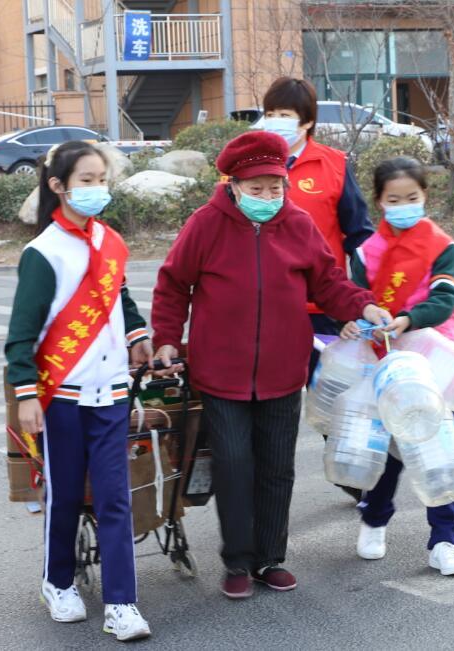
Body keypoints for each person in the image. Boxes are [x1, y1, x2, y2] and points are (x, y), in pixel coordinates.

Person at [150, 131, 391, 599]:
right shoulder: (206, 225)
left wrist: (363, 306)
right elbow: (173, 284)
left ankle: (269, 558)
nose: (267, 197)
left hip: (283, 370)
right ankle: (237, 562)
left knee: (277, 467)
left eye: (275, 188)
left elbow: (328, 282)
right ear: (233, 185)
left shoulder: (297, 224)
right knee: (235, 465)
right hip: (220, 372)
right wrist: (165, 339)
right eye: (256, 189)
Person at [4, 140, 153, 639]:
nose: (96, 189)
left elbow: (121, 298)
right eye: (86, 181)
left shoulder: (109, 242)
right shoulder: (42, 253)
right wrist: (27, 395)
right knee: (66, 495)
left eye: (101, 180)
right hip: (62, 396)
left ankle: (121, 603)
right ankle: (58, 582)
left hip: (110, 392)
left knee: (115, 499)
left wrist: (137, 336)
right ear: (58, 186)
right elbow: (21, 333)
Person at [341, 156, 454, 576]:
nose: (403, 205)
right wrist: (358, 319)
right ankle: (375, 519)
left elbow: (445, 298)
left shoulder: (440, 245)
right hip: (385, 362)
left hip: (435, 358)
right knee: (388, 453)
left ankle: (445, 540)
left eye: (412, 197)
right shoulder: (365, 251)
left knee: (439, 449)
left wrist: (410, 319)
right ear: (379, 201)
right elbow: (357, 297)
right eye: (394, 199)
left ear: (425, 196)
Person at [261, 76, 375, 501]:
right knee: (274, 409)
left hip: (324, 308)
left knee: (336, 401)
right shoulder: (249, 168)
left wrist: (359, 301)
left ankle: (354, 476)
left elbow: (359, 235)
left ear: (306, 122)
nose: (275, 123)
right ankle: (268, 496)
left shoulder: (334, 165)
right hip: (269, 310)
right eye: (270, 114)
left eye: (285, 116)